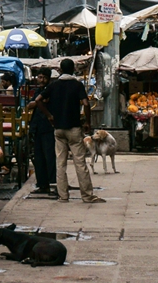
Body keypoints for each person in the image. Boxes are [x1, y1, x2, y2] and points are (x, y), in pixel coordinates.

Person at [33, 58, 105, 204]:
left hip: (58, 129)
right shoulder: (77, 85)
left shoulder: (53, 85)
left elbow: (38, 100)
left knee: (60, 163)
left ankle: (63, 196)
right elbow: (85, 103)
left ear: (60, 70)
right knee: (80, 162)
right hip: (74, 128)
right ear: (73, 70)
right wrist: (88, 122)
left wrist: (49, 116)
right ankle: (87, 195)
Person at [26, 67, 56, 195]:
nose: (41, 80)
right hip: (36, 127)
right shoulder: (37, 91)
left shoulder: (51, 90)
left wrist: (37, 102)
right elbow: (29, 105)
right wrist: (38, 102)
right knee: (38, 158)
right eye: (39, 77)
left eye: (44, 77)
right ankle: (42, 184)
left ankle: (52, 184)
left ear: (48, 78)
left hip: (48, 128)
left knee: (49, 157)